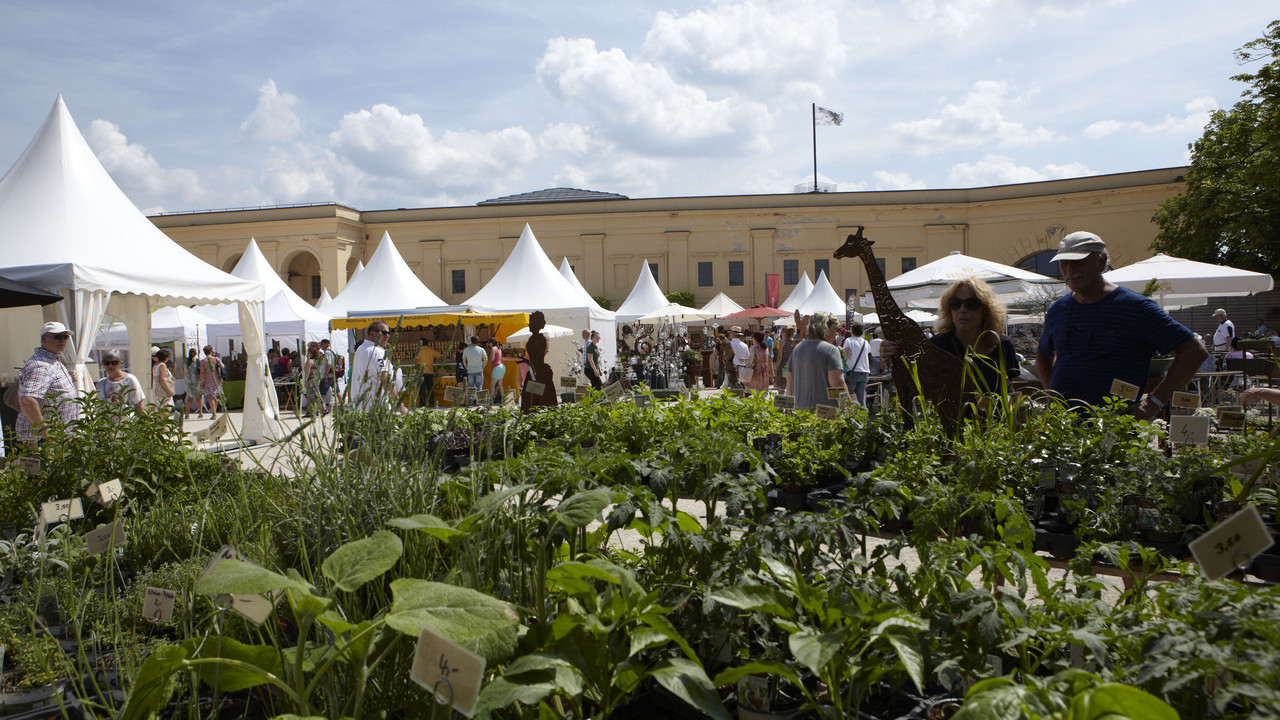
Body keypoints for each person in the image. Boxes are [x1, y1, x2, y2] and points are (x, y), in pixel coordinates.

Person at [1035, 231, 1207, 419]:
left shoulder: (1135, 308)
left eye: (1078, 262)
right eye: (1063, 263)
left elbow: (1194, 351)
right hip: (1063, 425)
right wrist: (1052, 395)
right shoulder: (1058, 310)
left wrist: (1154, 402)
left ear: (1101, 261)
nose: (1069, 270)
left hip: (1115, 426)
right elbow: (1043, 352)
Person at [882, 278, 1021, 395]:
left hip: (998, 425)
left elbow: (1011, 388)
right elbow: (914, 382)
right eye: (955, 304)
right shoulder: (938, 346)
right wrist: (892, 353)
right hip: (954, 426)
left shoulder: (1001, 343)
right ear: (949, 309)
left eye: (971, 303)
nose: (962, 310)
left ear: (986, 309)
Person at [16, 321, 80, 444]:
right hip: (42, 439)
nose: (62, 340)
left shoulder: (52, 360)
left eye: (65, 337)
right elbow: (26, 400)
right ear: (43, 338)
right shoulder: (41, 366)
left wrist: (67, 379)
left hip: (52, 435)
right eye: (57, 336)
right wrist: (46, 432)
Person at [789, 311, 845, 411]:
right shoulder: (831, 350)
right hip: (824, 413)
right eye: (834, 328)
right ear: (825, 327)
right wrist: (848, 407)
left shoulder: (797, 349)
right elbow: (836, 384)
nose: (836, 332)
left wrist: (789, 410)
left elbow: (789, 380)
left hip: (799, 413)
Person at [351, 321, 392, 411]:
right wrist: (399, 403)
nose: (387, 336)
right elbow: (385, 379)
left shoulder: (360, 349)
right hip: (376, 408)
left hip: (360, 407)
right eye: (384, 333)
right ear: (372, 334)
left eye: (389, 333)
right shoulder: (377, 352)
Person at [95, 349, 145, 414]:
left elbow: (139, 405)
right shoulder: (101, 383)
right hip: (106, 422)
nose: (110, 366)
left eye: (114, 363)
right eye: (106, 363)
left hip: (125, 422)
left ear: (121, 363)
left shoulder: (130, 380)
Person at [842, 323, 872, 405]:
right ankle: (863, 416)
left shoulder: (848, 341)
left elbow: (847, 355)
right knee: (861, 398)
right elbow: (868, 355)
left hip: (853, 371)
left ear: (852, 331)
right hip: (865, 371)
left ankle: (851, 416)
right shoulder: (866, 342)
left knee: (849, 397)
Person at [198, 345, 225, 420]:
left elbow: (202, 372)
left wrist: (201, 382)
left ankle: (214, 413)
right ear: (211, 351)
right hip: (217, 380)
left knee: (210, 397)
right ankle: (214, 411)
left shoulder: (203, 361)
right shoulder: (216, 359)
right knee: (215, 397)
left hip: (207, 381)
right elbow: (222, 366)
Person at [463, 336, 488, 404]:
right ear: (478, 342)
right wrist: (483, 366)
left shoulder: (466, 350)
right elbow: (486, 359)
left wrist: (466, 367)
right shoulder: (481, 349)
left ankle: (469, 404)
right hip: (479, 370)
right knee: (479, 388)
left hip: (470, 371)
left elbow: (464, 359)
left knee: (471, 388)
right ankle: (481, 403)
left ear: (471, 342)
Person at [416, 338, 440, 408]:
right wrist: (433, 361)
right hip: (430, 372)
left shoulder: (419, 351)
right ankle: (431, 402)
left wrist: (416, 367)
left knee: (422, 388)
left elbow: (416, 361)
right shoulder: (431, 350)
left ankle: (422, 403)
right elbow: (439, 356)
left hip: (422, 372)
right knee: (430, 388)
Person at [302, 343, 321, 417]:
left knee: (310, 397)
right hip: (315, 379)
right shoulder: (316, 360)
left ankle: (311, 411)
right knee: (315, 396)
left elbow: (307, 372)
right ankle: (315, 410)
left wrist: (305, 381)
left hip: (310, 380)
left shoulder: (309, 361)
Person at [317, 338, 335, 414]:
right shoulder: (333, 351)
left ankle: (322, 409)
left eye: (321, 344)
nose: (321, 346)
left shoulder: (327, 352)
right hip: (332, 375)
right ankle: (343, 407)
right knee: (337, 391)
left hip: (328, 376)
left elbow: (329, 363)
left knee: (322, 393)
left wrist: (325, 375)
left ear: (326, 344)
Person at [183, 348, 202, 418]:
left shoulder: (185, 361)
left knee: (190, 397)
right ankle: (200, 412)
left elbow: (182, 371)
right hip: (196, 381)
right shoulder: (197, 361)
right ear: (196, 353)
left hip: (188, 382)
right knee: (198, 398)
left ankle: (187, 413)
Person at [777, 327, 795, 391]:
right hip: (793, 365)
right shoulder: (795, 342)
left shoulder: (782, 342)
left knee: (781, 388)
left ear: (784, 333)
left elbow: (779, 357)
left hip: (783, 365)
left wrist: (776, 369)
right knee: (791, 387)